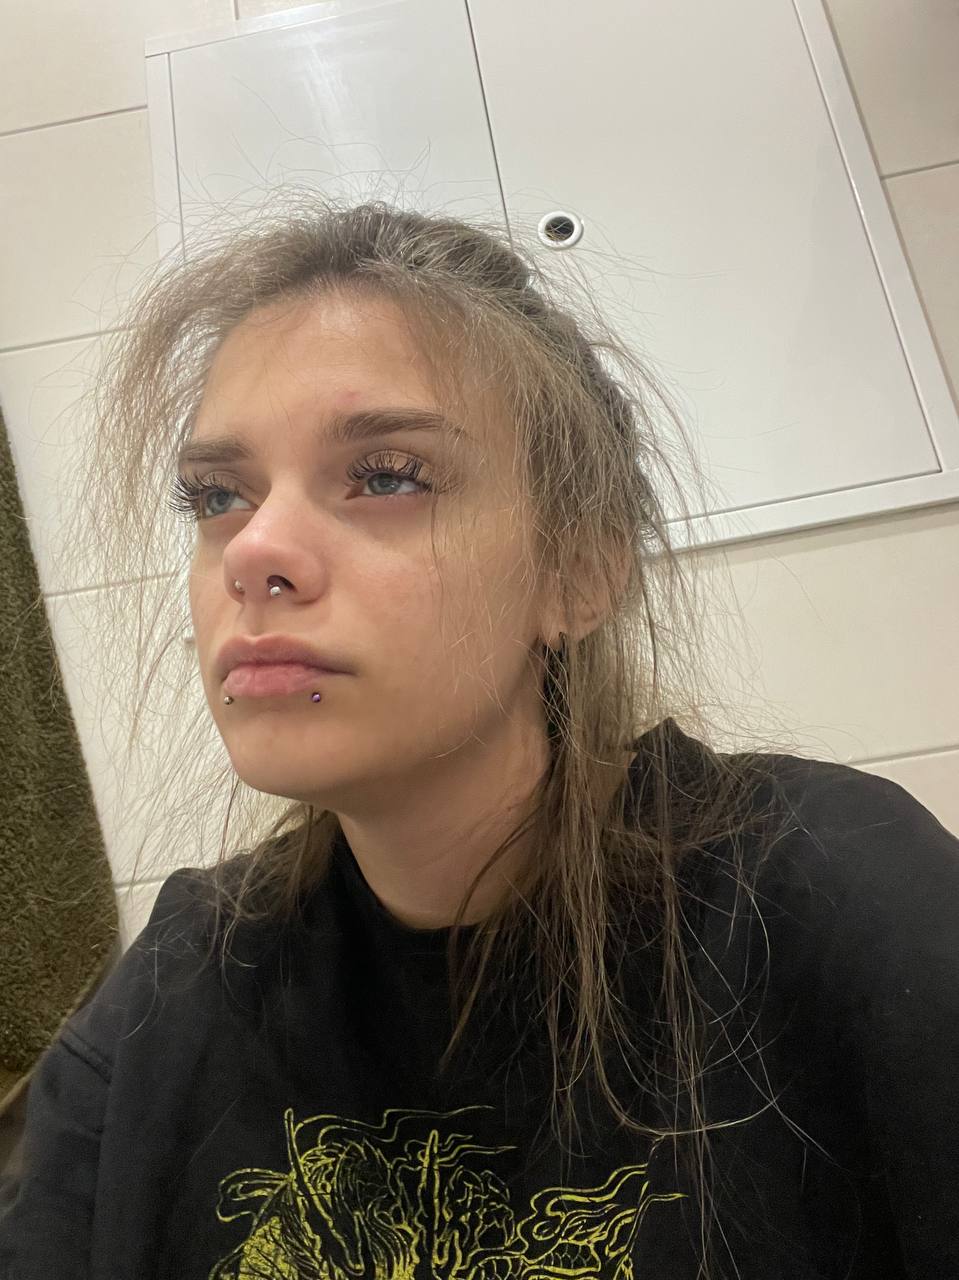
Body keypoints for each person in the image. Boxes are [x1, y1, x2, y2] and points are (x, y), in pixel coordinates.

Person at [1, 197, 957, 1280]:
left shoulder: (824, 890)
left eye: (386, 475)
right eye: (217, 494)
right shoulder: (170, 992)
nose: (254, 548)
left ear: (577, 571)